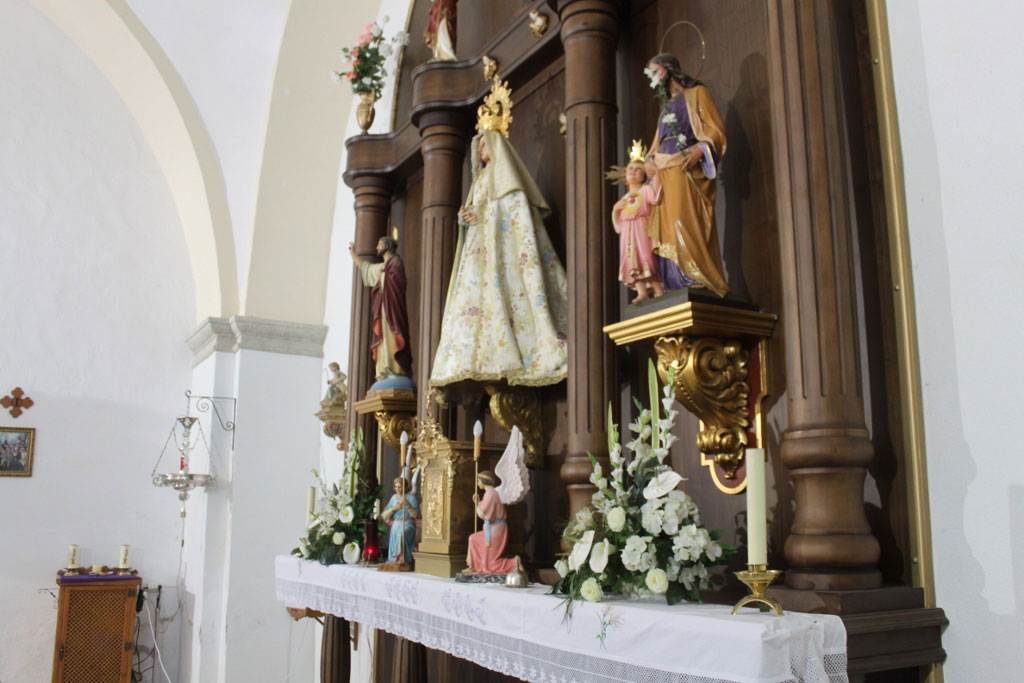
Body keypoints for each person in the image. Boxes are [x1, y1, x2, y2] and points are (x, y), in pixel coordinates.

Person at [430, 130, 569, 387]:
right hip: (479, 252)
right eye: (479, 147)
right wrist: (465, 218)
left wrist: (482, 216)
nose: (481, 151)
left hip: (501, 252)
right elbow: (477, 210)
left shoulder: (505, 175)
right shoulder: (480, 179)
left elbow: (514, 211)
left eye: (485, 145)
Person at [645, 53, 730, 297]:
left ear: (669, 69)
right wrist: (649, 161)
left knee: (684, 221)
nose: (653, 78)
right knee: (668, 226)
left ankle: (695, 274)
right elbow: (657, 143)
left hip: (685, 169)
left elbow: (715, 130)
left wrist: (700, 150)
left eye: (655, 71)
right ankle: (674, 282)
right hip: (664, 173)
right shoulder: (665, 107)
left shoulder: (697, 94)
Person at [349, 236, 413, 382]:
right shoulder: (383, 266)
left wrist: (383, 276)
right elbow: (366, 268)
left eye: (379, 244)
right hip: (383, 308)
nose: (377, 248)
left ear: (387, 246)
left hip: (393, 309)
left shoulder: (396, 262)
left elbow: (397, 282)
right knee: (382, 337)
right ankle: (383, 368)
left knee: (392, 333)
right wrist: (353, 254)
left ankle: (395, 368)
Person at [613, 157, 665, 301]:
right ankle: (642, 293)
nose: (634, 171)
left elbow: (656, 199)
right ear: (625, 174)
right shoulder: (624, 198)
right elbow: (618, 226)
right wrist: (615, 210)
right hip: (627, 232)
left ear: (644, 175)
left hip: (642, 229)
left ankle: (659, 290)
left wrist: (656, 175)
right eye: (631, 168)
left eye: (639, 169)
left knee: (646, 257)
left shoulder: (646, 190)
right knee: (631, 260)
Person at [465, 470, 522, 574]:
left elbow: (481, 513)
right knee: (473, 539)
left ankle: (514, 563)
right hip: (492, 528)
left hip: (495, 529)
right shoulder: (491, 493)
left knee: (490, 564)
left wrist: (477, 504)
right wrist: (478, 502)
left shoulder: (491, 494)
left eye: (478, 481)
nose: (477, 483)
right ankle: (473, 566)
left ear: (484, 481)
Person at [381, 476, 419, 564]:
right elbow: (384, 516)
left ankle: (403, 558)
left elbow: (415, 515)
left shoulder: (411, 498)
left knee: (402, 535)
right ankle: (395, 559)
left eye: (400, 487)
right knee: (396, 539)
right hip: (396, 525)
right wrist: (394, 508)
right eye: (396, 487)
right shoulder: (394, 498)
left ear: (405, 487)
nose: (397, 489)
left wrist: (408, 505)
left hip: (407, 524)